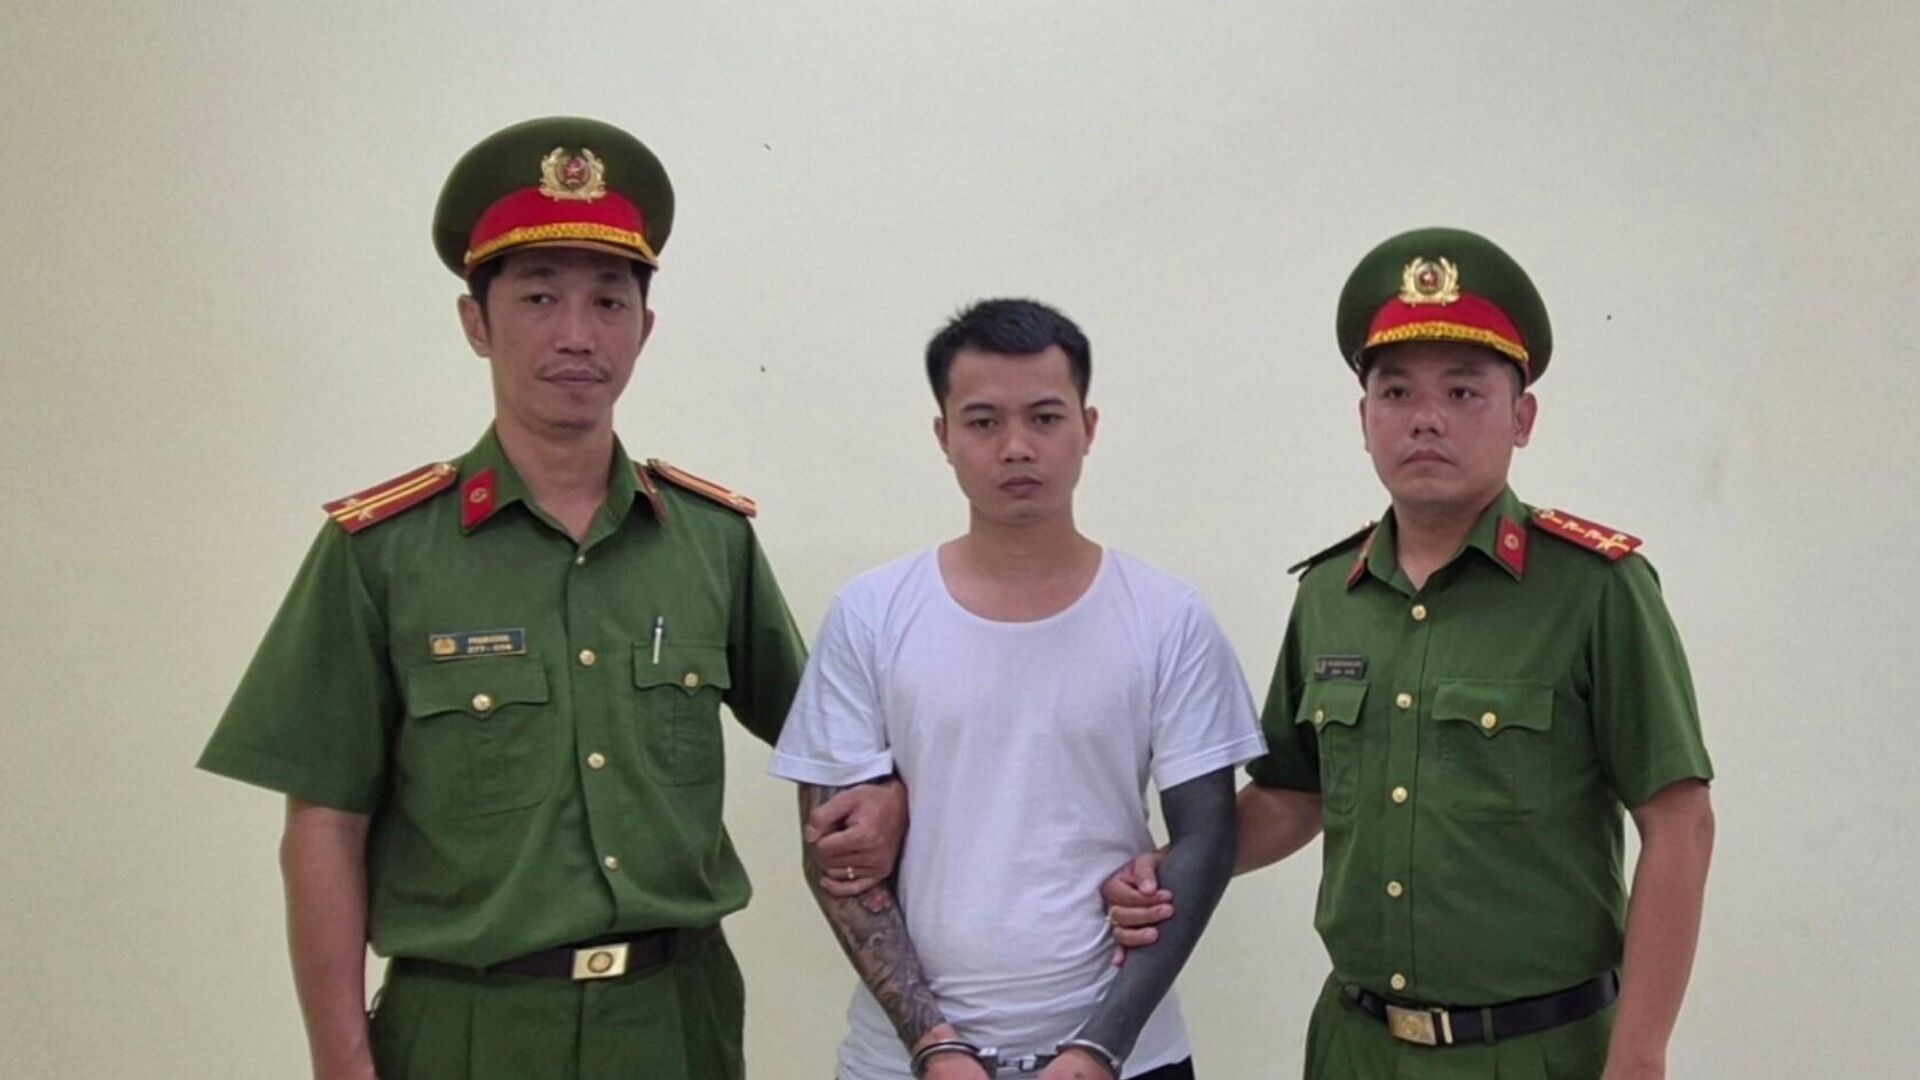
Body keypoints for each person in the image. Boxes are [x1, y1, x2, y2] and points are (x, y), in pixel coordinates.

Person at [196, 116, 903, 1080]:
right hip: (465, 1029)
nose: (577, 334)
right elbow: (325, 826)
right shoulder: (382, 553)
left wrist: (886, 795)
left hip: (676, 1021)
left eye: (609, 301)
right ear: (475, 322)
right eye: (538, 296)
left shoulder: (710, 543)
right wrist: (340, 1059)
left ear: (644, 328)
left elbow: (829, 739)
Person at [1103, 228, 1716, 1079]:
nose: (1426, 417)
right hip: (1355, 1047)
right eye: (1396, 392)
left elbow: (1679, 823)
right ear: (1365, 420)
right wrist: (1175, 870)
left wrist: (1640, 1056)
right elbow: (1292, 795)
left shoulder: (1596, 591)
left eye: (1464, 391)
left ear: (1523, 417)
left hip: (1538, 1052)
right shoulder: (1331, 594)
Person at [770, 299, 1267, 1080]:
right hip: (902, 1061)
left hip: (1128, 1057)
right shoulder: (871, 612)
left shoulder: (1166, 615)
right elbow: (834, 857)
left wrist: (1101, 1046)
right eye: (983, 422)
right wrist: (933, 1044)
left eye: (1045, 417)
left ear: (1087, 428)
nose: (1016, 447)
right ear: (943, 436)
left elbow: (1207, 838)